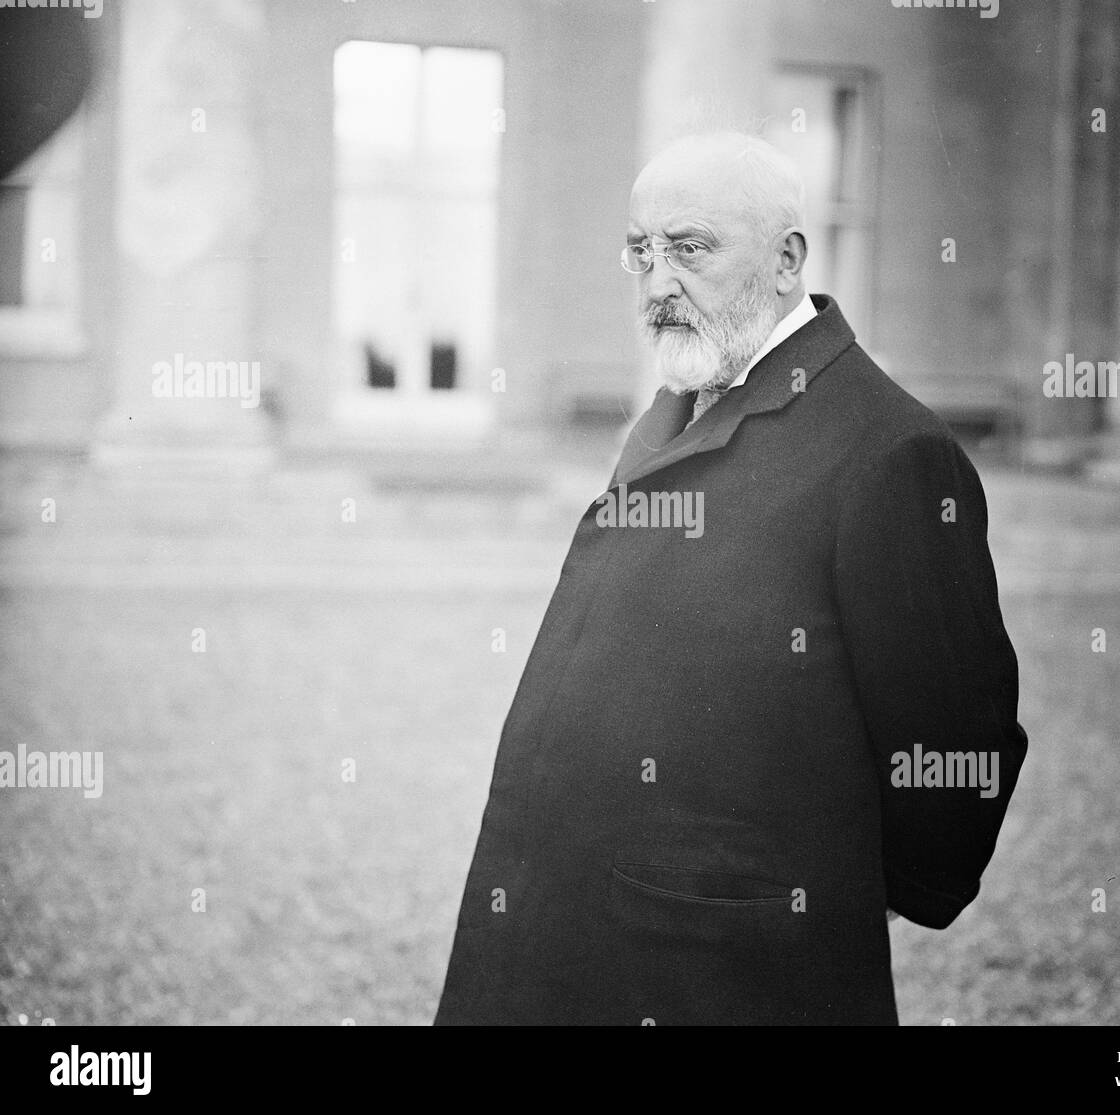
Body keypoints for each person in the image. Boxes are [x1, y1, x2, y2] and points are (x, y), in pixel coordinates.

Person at [434, 131, 1028, 1025]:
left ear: (788, 260)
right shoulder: (679, 404)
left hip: (726, 969)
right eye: (641, 250)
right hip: (572, 931)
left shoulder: (891, 452)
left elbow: (956, 730)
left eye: (692, 247)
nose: (656, 279)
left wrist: (852, 893)